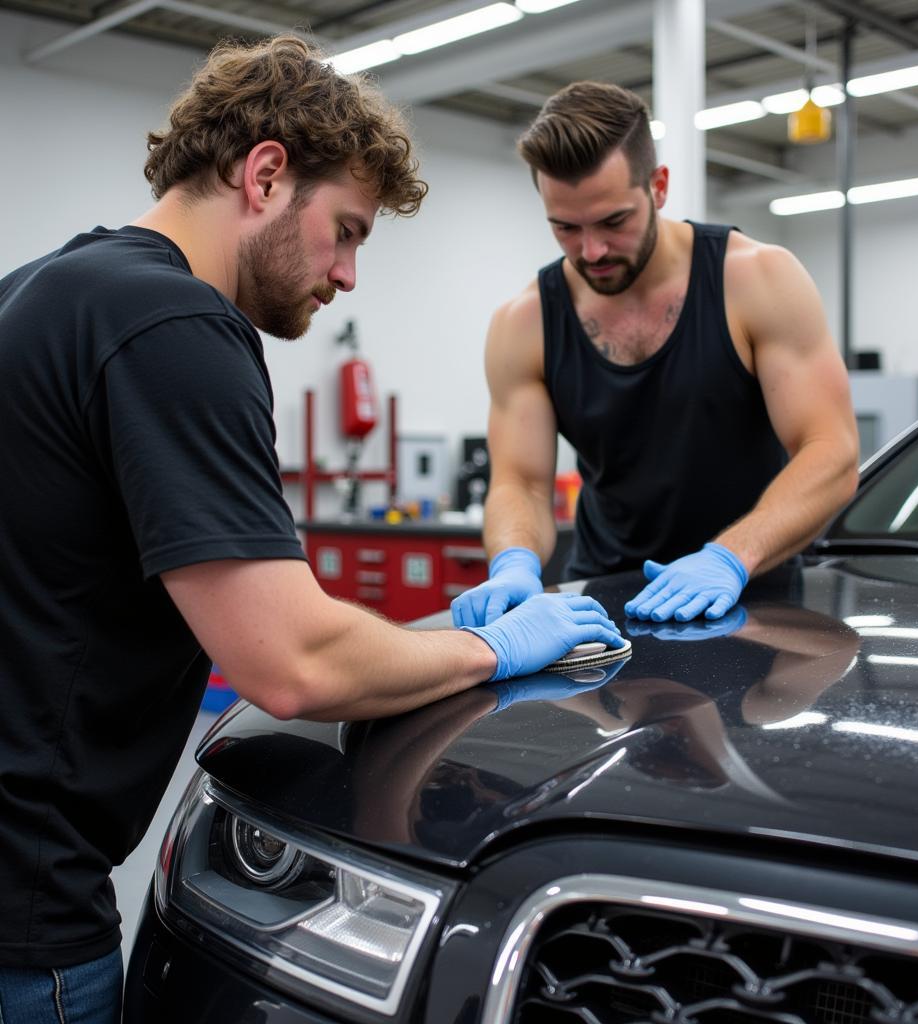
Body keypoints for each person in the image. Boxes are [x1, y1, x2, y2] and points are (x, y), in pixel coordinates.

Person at [0, 36, 623, 1023]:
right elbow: (292, 662)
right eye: (346, 231)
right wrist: (490, 648)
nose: (347, 273)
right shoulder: (175, 323)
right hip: (23, 923)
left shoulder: (45, 288)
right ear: (265, 173)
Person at [451, 81, 859, 631]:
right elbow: (520, 482)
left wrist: (729, 557)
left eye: (613, 222)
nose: (590, 251)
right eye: (565, 228)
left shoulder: (757, 279)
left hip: (754, 597)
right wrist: (514, 562)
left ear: (659, 186)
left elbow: (829, 450)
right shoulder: (524, 323)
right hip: (603, 604)